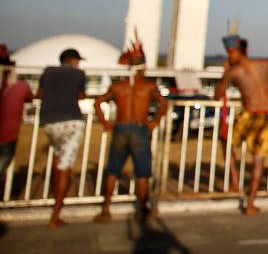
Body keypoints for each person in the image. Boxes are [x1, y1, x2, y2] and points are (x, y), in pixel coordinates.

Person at [92, 39, 168, 222]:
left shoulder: (118, 87)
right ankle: (143, 209)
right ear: (143, 67)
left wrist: (106, 122)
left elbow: (98, 101)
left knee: (113, 170)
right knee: (142, 172)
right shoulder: (148, 86)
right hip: (140, 128)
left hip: (121, 127)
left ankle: (106, 209)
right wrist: (154, 121)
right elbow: (163, 103)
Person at [214, 34, 268, 215]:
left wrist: (225, 72)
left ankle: (236, 182)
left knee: (251, 155)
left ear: (236, 51)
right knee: (255, 158)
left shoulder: (235, 71)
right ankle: (244, 193)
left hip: (253, 114)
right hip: (266, 113)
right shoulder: (263, 64)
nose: (229, 57)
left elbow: (217, 94)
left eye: (230, 53)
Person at [37, 47, 87, 228]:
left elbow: (39, 94)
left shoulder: (48, 72)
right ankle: (55, 215)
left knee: (58, 160)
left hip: (49, 122)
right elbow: (81, 95)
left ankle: (55, 199)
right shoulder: (79, 73)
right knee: (65, 166)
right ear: (73, 60)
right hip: (72, 122)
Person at [0, 56, 34, 177]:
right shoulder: (21, 86)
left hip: (8, 133)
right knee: (5, 158)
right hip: (9, 134)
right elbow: (30, 97)